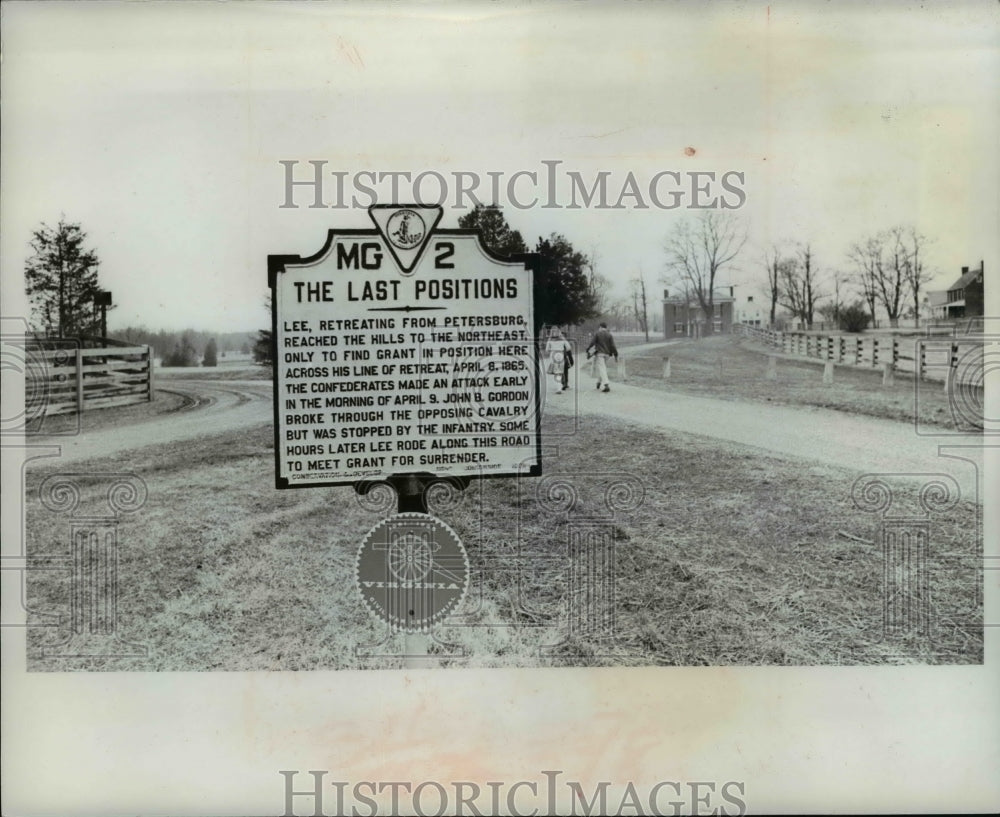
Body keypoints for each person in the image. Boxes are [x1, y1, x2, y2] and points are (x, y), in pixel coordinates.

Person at [586, 322, 618, 393]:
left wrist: (588, 349)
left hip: (600, 353)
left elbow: (592, 342)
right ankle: (598, 383)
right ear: (605, 327)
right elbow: (613, 346)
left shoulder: (598, 333)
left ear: (600, 327)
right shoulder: (609, 335)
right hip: (607, 354)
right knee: (602, 368)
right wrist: (615, 354)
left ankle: (606, 385)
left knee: (602, 368)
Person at [544, 327, 574, 393]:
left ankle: (558, 387)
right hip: (560, 354)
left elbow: (547, 350)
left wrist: (551, 349)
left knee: (556, 371)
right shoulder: (563, 339)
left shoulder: (550, 339)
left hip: (553, 355)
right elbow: (569, 348)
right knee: (559, 371)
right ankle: (560, 386)